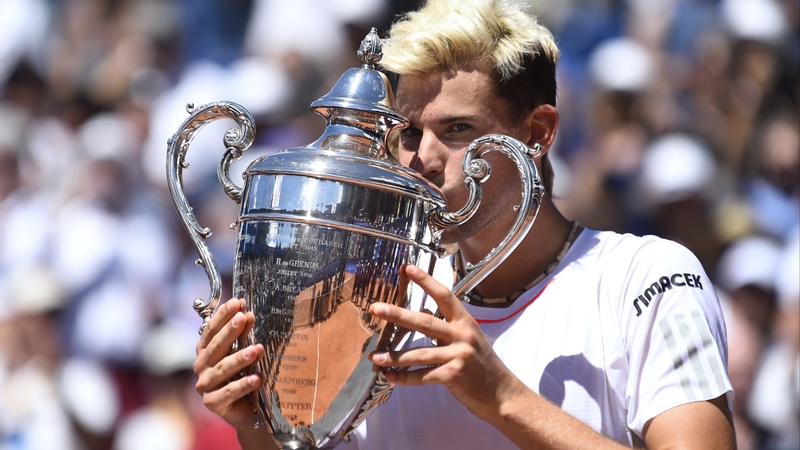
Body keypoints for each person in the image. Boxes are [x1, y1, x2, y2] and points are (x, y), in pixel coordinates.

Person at [192, 0, 736, 448]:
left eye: (456, 129)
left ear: (538, 133)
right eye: (409, 132)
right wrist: (257, 423)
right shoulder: (376, 297)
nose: (422, 159)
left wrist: (503, 398)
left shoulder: (646, 276)